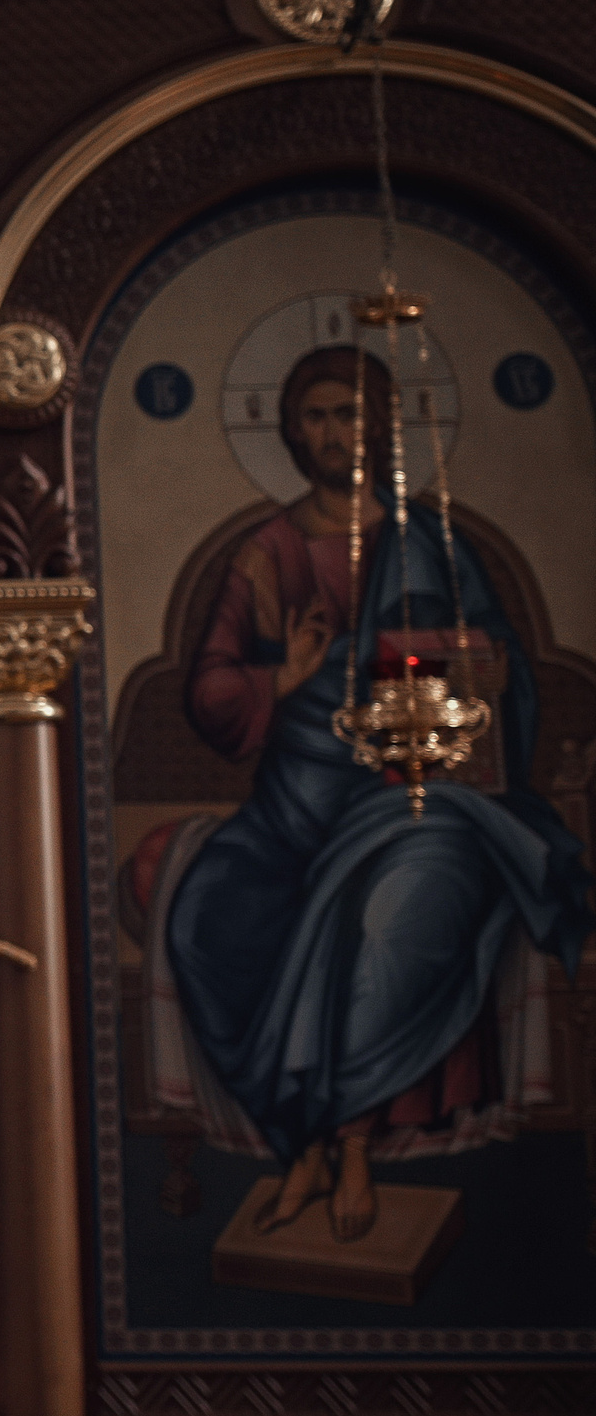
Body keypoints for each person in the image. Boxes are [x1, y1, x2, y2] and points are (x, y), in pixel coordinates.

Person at [166, 344, 590, 1241]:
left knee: (384, 918)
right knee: (204, 916)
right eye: (316, 415)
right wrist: (286, 677)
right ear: (289, 429)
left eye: (350, 414)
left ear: (383, 425)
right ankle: (300, 1142)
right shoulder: (268, 553)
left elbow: (497, 675)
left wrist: (490, 676)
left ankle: (345, 1145)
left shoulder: (432, 542)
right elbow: (208, 690)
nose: (333, 433)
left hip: (419, 797)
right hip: (296, 805)